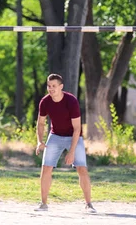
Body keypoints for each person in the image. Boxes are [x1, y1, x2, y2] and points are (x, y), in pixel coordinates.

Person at [35, 74, 96, 214]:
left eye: (54, 86)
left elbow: (77, 128)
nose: (51, 89)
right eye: (49, 86)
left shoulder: (71, 101)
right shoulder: (45, 102)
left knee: (82, 169)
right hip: (55, 136)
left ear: (61, 87)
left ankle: (89, 204)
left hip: (74, 136)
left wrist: (72, 151)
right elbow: (41, 123)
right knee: (46, 169)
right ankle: (43, 203)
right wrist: (39, 141)